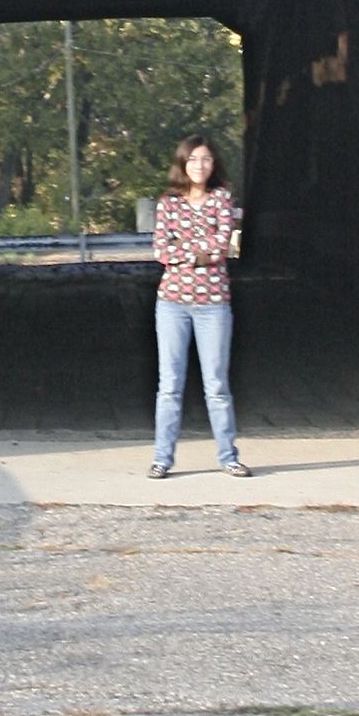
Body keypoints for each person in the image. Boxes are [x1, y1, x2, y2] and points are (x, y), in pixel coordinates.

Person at [149, 133, 251, 478]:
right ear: (182, 163)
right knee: (169, 384)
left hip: (213, 304)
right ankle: (162, 458)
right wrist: (198, 253)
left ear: (214, 164)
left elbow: (222, 246)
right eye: (193, 159)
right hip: (172, 304)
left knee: (217, 386)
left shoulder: (222, 199)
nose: (199, 165)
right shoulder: (167, 203)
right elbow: (161, 251)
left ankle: (228, 456)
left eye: (206, 159)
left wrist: (184, 251)